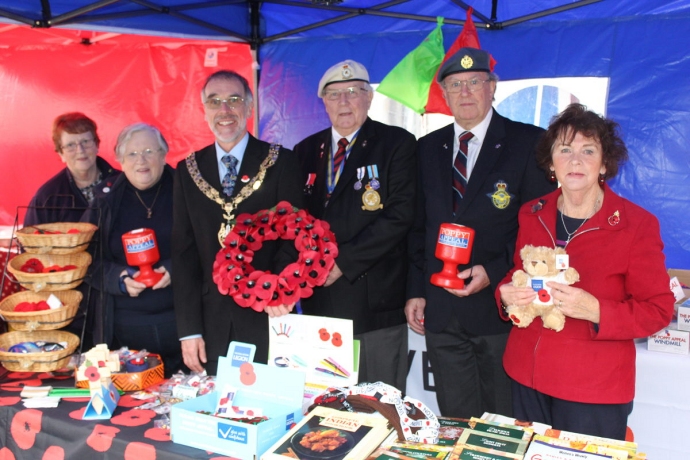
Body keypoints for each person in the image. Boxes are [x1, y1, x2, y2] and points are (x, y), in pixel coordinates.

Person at [497, 103, 674, 439]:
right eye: (565, 150)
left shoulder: (636, 225)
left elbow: (658, 309)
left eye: (587, 150)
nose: (575, 160)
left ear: (605, 163)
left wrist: (595, 310)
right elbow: (519, 272)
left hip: (593, 389)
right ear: (551, 163)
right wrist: (504, 295)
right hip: (526, 376)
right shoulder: (531, 213)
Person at [406, 47, 556, 418]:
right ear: (444, 94)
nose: (465, 92)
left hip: (499, 309)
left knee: (502, 421)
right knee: (455, 420)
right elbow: (417, 227)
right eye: (455, 84)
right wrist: (416, 291)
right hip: (440, 311)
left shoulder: (529, 143)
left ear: (493, 87)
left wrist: (494, 269)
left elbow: (540, 228)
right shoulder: (425, 148)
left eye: (475, 82)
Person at [293, 60, 417, 391]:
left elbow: (400, 215)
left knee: (381, 405)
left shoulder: (397, 144)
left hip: (375, 304)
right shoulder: (304, 151)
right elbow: (293, 221)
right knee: (327, 407)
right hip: (321, 305)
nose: (344, 102)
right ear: (323, 102)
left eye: (353, 92)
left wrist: (343, 263)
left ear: (369, 97)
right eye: (334, 95)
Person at [172, 70, 303, 375]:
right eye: (215, 102)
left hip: (269, 315)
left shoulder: (281, 162)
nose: (225, 111)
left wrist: (277, 290)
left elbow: (294, 235)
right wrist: (189, 331)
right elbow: (184, 254)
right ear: (204, 110)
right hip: (210, 321)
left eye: (234, 100)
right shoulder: (187, 171)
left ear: (249, 105)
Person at [83, 123, 182, 376]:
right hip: (125, 334)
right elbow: (85, 261)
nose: (142, 160)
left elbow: (210, 247)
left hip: (184, 331)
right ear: (119, 159)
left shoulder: (186, 192)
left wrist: (175, 268)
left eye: (150, 151)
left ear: (164, 153)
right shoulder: (104, 201)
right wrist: (119, 278)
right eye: (133, 154)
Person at [25, 112, 120, 226]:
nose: (80, 150)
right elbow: (31, 240)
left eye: (85, 141)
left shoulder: (122, 184)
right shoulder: (47, 198)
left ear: (97, 145)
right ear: (61, 153)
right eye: (70, 145)